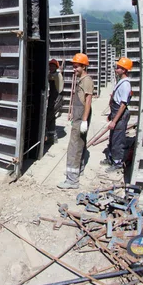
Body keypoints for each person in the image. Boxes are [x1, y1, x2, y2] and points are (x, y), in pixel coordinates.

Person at [58, 53, 93, 189]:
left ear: (84, 66)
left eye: (76, 67)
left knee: (74, 147)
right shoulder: (81, 80)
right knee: (80, 144)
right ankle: (78, 170)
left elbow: (88, 102)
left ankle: (72, 180)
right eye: (73, 67)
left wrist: (84, 120)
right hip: (78, 117)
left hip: (81, 118)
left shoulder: (87, 80)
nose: (74, 69)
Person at [101, 57, 133, 173]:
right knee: (113, 137)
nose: (116, 69)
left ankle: (117, 162)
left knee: (118, 139)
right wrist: (111, 115)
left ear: (124, 70)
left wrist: (114, 121)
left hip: (120, 115)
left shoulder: (126, 85)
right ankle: (111, 158)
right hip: (115, 113)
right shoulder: (121, 81)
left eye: (118, 68)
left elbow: (123, 105)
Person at [46, 59, 64, 145]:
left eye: (53, 66)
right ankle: (52, 137)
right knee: (51, 118)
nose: (51, 67)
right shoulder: (55, 74)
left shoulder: (57, 75)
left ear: (56, 67)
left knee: (49, 117)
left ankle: (52, 137)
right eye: (50, 65)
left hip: (56, 98)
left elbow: (49, 77)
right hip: (52, 98)